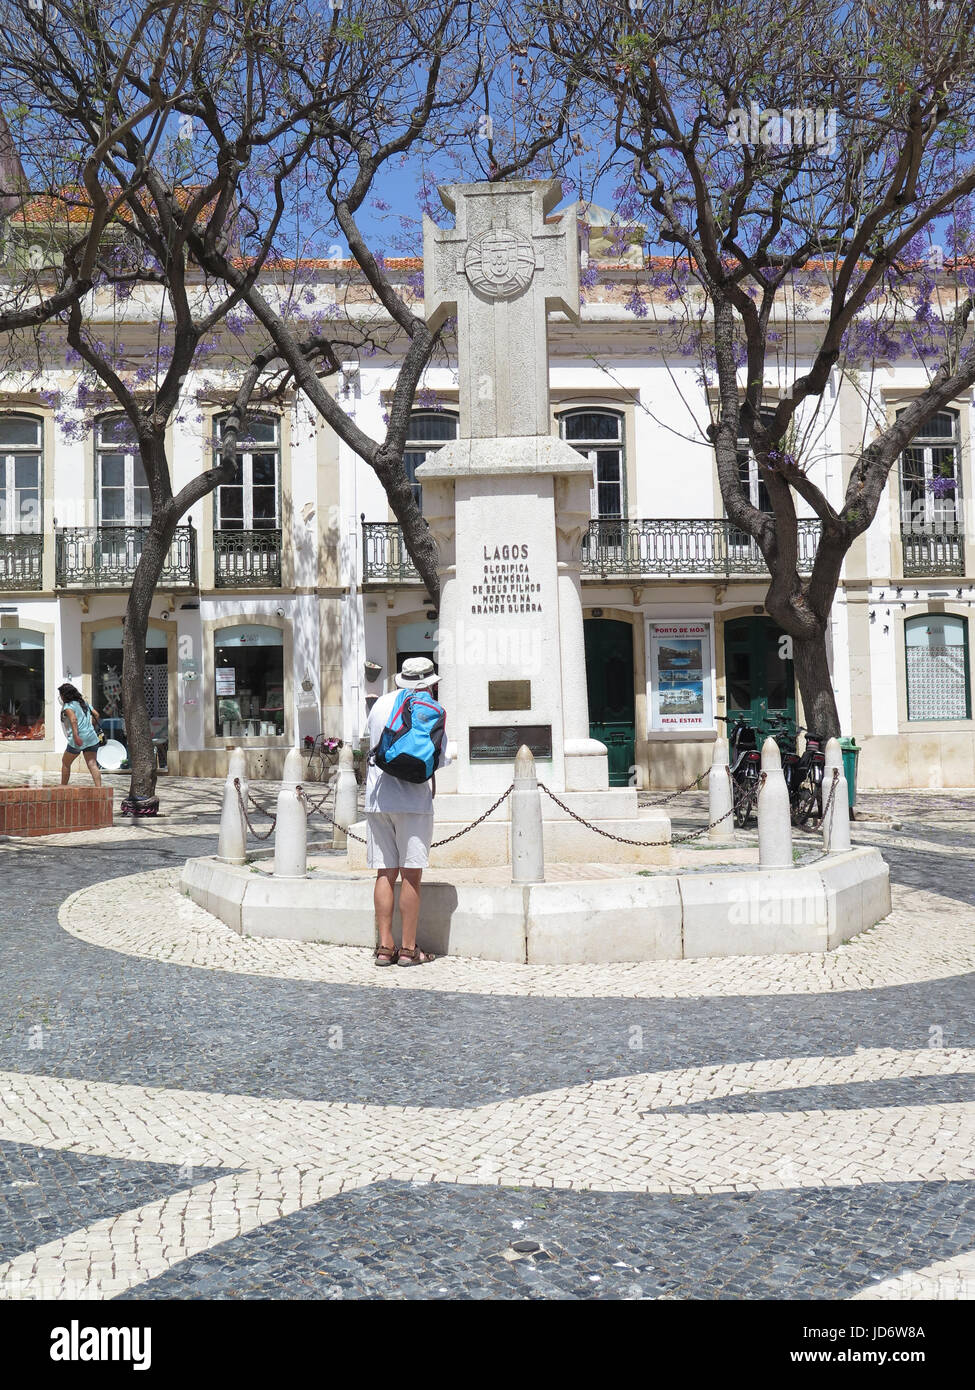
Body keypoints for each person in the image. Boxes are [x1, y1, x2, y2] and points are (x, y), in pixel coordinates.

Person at [365, 656, 447, 967]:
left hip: (377, 798)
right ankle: (409, 950)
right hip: (413, 802)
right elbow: (438, 760)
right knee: (411, 875)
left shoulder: (381, 704)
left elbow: (373, 743)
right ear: (430, 682)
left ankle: (385, 947)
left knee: (385, 872)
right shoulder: (429, 709)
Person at [58, 683, 103, 788]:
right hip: (91, 737)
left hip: (78, 739)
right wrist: (90, 727)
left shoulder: (68, 706)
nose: (60, 697)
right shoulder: (84, 703)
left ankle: (62, 787)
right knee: (92, 764)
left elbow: (73, 719)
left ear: (65, 695)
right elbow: (96, 714)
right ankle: (99, 790)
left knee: (65, 762)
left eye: (61, 695)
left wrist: (76, 735)